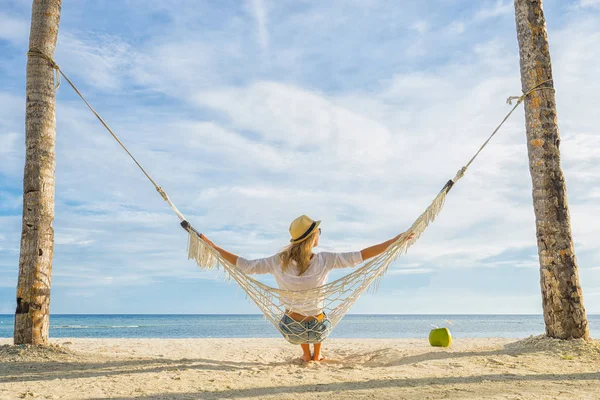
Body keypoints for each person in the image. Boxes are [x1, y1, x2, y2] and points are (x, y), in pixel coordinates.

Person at [199, 215, 413, 362]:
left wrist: (214, 247)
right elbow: (361, 255)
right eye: (319, 231)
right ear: (313, 237)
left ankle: (305, 354)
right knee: (318, 311)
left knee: (297, 308)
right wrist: (395, 240)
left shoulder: (277, 261)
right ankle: (317, 355)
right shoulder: (326, 260)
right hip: (319, 328)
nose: (320, 233)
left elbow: (245, 265)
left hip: (292, 329)